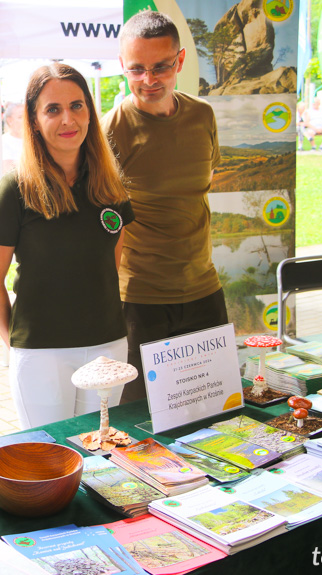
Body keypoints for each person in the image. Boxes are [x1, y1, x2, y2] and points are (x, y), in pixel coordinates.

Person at [0, 63, 134, 428]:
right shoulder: (13, 192)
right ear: (33, 120)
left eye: (77, 106)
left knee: (102, 457)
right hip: (41, 353)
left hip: (107, 346)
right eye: (53, 109)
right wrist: (15, 345)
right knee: (51, 460)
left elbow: (109, 265)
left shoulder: (111, 187)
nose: (68, 119)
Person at [102, 10, 228, 404]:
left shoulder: (203, 116)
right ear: (122, 65)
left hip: (204, 290)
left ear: (181, 61)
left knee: (214, 409)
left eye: (161, 67)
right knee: (140, 421)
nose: (149, 80)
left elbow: (198, 190)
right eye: (137, 69)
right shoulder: (110, 131)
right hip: (141, 301)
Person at [0, 101, 25, 174]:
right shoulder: (3, 142)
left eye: (27, 117)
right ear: (10, 120)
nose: (26, 120)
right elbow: (9, 170)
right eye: (21, 117)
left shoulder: (35, 139)